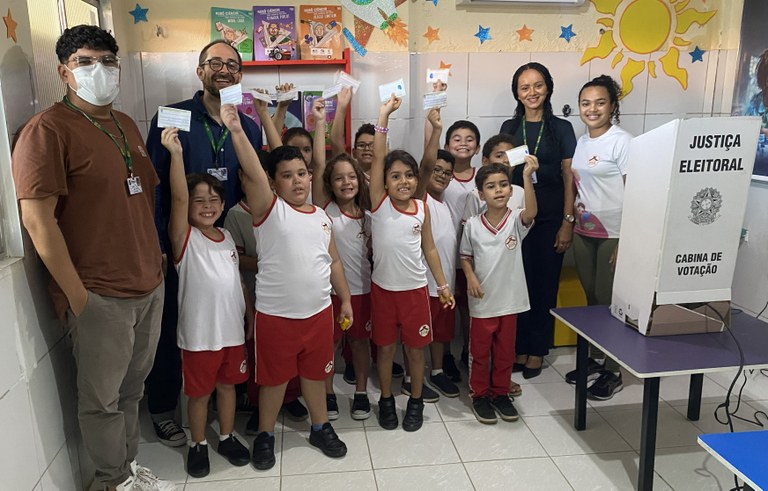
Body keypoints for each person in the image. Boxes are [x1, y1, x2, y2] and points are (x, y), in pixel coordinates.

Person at [12, 25, 174, 491]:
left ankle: (127, 473)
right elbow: (39, 222)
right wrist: (80, 298)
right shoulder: (47, 131)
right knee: (101, 401)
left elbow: (140, 199)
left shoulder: (123, 123)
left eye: (106, 61)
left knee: (130, 391)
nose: (98, 70)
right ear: (65, 72)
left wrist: (156, 261)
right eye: (85, 62)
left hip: (148, 285)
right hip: (101, 295)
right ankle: (109, 481)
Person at [144, 40, 277, 447]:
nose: (223, 69)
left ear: (239, 75)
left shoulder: (248, 125)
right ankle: (163, 409)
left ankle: (229, 404)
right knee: (175, 327)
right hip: (180, 242)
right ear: (199, 71)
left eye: (232, 65)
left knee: (226, 321)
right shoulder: (174, 115)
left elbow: (251, 183)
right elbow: (155, 186)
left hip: (223, 240)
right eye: (214, 62)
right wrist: (160, 244)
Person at [220, 104, 352, 469]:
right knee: (274, 381)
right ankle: (265, 433)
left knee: (315, 375)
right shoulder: (269, 211)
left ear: (311, 177)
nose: (297, 181)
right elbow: (251, 168)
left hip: (318, 313)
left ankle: (320, 425)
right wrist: (236, 131)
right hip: (277, 317)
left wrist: (344, 300)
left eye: (302, 174)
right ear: (273, 183)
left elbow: (335, 262)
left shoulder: (323, 217)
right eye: (287, 176)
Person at [159, 129, 251, 477]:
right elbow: (179, 201)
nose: (208, 205)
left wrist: (249, 312)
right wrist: (176, 155)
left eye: (214, 198)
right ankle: (197, 443)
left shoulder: (226, 235)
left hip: (232, 332)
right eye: (200, 200)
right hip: (200, 337)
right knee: (199, 395)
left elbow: (236, 279)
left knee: (228, 387)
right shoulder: (185, 239)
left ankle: (226, 437)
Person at [369, 95, 455, 432]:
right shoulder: (378, 203)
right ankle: (387, 400)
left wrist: (443, 285)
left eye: (409, 176)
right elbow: (378, 156)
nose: (403, 181)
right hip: (383, 292)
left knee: (416, 352)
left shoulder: (421, 207)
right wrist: (383, 115)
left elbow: (430, 250)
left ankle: (415, 400)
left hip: (416, 293)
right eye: (395, 176)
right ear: (385, 182)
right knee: (387, 351)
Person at [500, 62, 577, 379]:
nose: (531, 92)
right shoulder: (510, 127)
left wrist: (567, 221)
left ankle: (537, 351)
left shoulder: (561, 128)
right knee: (517, 284)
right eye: (524, 87)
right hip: (517, 214)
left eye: (537, 85)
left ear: (548, 88)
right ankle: (517, 347)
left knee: (544, 285)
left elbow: (569, 177)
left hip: (550, 214)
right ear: (517, 93)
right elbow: (501, 172)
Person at [564, 75, 632, 400]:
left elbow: (635, 190)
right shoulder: (582, 141)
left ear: (613, 106)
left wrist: (627, 240)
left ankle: (614, 371)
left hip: (613, 233)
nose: (592, 109)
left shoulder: (623, 142)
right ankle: (595, 358)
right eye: (586, 103)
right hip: (584, 230)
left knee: (608, 301)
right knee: (591, 298)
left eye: (600, 102)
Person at [311, 97, 374, 420]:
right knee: (330, 346)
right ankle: (329, 393)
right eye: (339, 178)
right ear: (329, 185)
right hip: (331, 293)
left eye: (351, 177)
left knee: (361, 344)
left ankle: (361, 392)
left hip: (362, 290)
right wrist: (320, 122)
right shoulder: (325, 209)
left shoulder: (368, 212)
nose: (346, 182)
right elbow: (320, 165)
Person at [461, 161, 538, 424]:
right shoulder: (472, 224)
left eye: (504, 185)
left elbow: (532, 212)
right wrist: (470, 276)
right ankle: (480, 395)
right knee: (480, 353)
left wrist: (527, 177)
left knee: (505, 352)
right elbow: (465, 257)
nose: (499, 190)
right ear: (481, 194)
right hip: (482, 303)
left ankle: (501, 393)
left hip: (510, 300)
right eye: (491, 186)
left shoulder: (516, 219)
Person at [413, 110, 460, 399]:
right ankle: (413, 376)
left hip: (445, 285)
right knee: (420, 335)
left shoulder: (446, 205)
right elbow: (427, 161)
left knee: (442, 334)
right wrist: (435, 127)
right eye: (436, 171)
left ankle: (438, 372)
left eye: (447, 173)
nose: (441, 175)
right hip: (423, 284)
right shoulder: (420, 199)